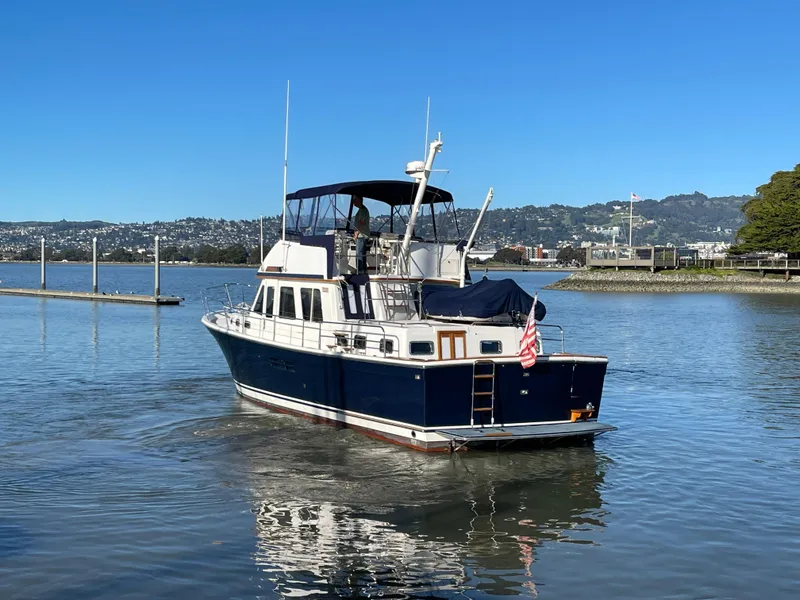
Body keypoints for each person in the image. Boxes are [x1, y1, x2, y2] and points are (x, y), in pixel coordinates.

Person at [352, 195, 370, 274]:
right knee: (362, 253)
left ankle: (360, 271)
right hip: (362, 235)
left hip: (361, 235)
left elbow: (361, 223)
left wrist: (356, 233)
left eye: (355, 200)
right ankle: (363, 270)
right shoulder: (362, 210)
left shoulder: (363, 210)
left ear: (359, 201)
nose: (353, 202)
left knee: (359, 253)